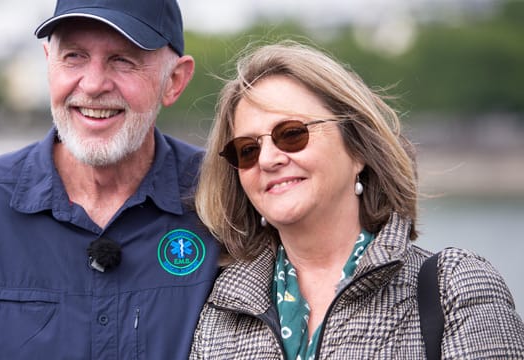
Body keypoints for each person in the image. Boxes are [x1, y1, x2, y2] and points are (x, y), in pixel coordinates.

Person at [0, 0, 220, 358]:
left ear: (175, 81)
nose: (92, 85)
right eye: (74, 56)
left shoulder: (225, 201)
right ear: (48, 63)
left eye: (122, 60)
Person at [190, 40, 524, 359]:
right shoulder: (221, 308)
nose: (267, 159)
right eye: (247, 150)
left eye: (291, 134)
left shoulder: (451, 287)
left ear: (357, 149)